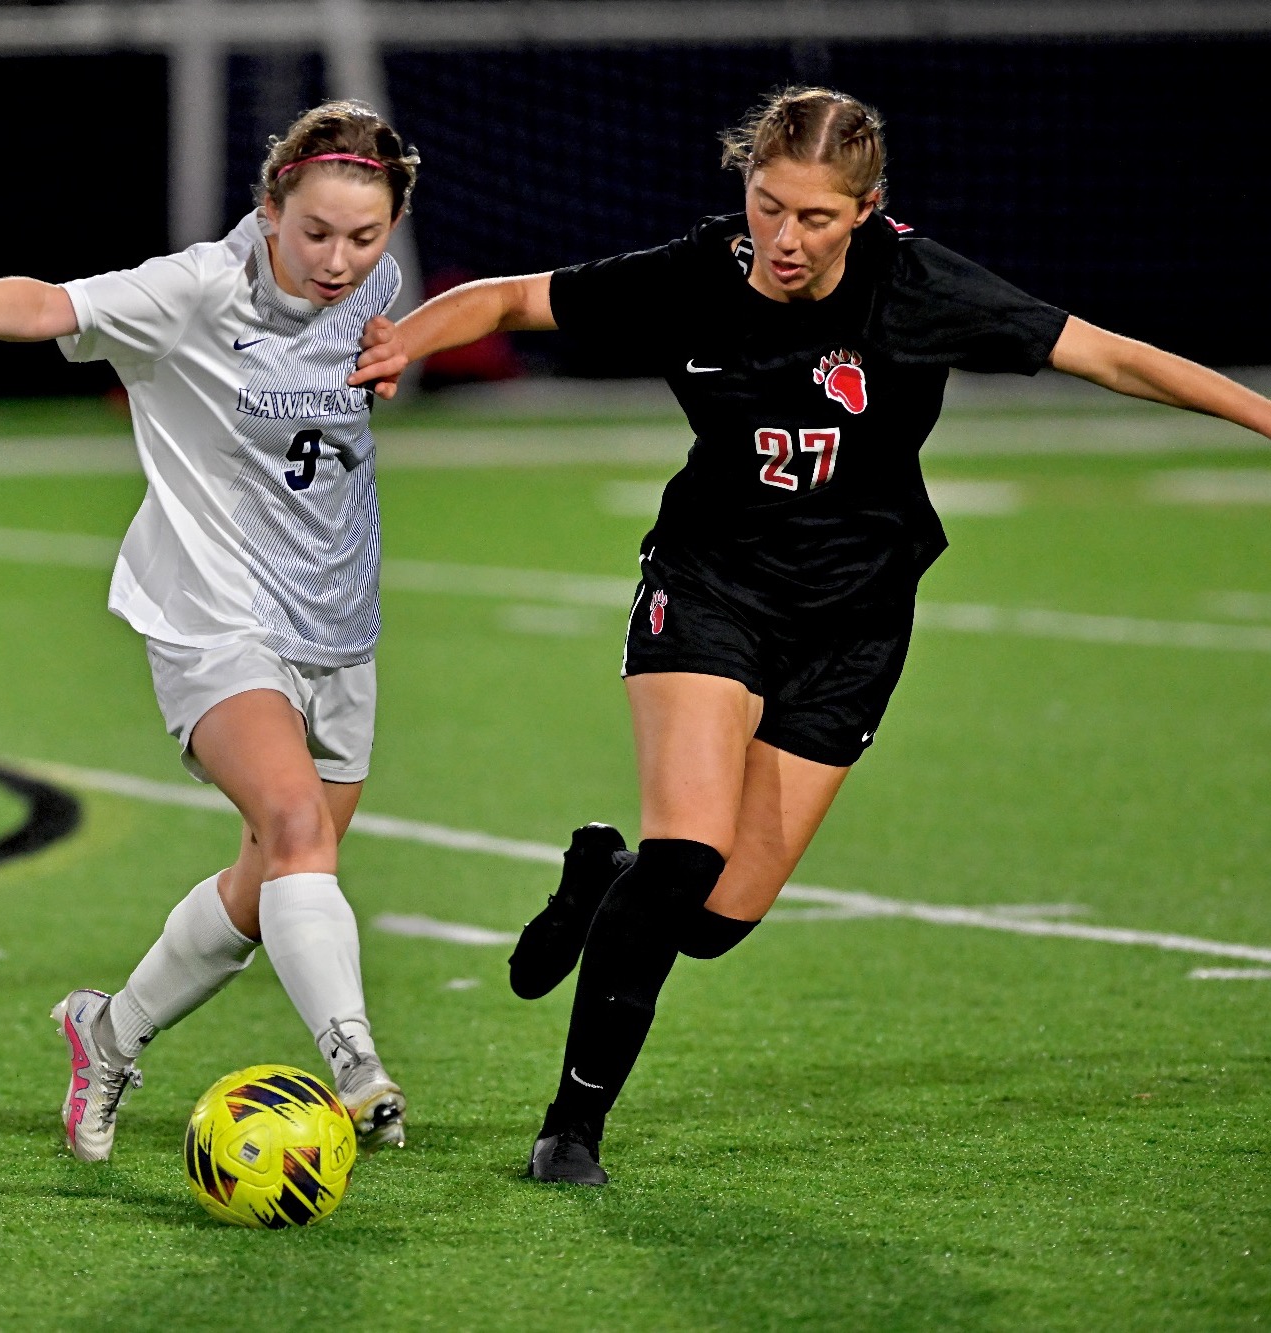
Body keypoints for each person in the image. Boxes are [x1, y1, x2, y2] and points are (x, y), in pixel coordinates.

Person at [351, 86, 1271, 1185]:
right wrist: (398, 341)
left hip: (856, 620)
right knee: (686, 847)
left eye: (817, 218)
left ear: (868, 210)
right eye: (767, 204)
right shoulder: (698, 275)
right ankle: (570, 1130)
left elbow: (1109, 356)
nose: (783, 239)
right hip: (710, 587)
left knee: (711, 918)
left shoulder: (917, 285)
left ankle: (601, 879)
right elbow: (505, 302)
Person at [0, 100, 419, 1161]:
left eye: (364, 237)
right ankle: (354, 1062)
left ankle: (106, 1033)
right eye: (317, 233)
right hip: (214, 618)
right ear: (269, 209)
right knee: (295, 828)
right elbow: (48, 303)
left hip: (339, 629)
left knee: (267, 885)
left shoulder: (375, 290)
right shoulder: (194, 290)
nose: (339, 259)